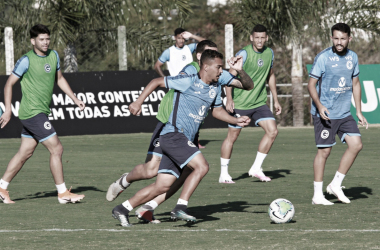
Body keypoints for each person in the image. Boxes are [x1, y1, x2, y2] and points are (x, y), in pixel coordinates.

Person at [106, 40, 254, 223]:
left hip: (183, 139)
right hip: (173, 135)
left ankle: (122, 209)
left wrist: (236, 119)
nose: (221, 71)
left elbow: (240, 92)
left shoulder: (216, 85)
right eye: (219, 67)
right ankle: (180, 207)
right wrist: (138, 102)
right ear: (205, 66)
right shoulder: (188, 79)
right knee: (202, 166)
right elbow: (156, 81)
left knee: (163, 185)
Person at [0, 24, 85, 204]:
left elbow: (59, 79)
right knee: (57, 148)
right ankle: (62, 193)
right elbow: (8, 84)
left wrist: (75, 99)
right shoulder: (26, 60)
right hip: (32, 112)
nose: (46, 42)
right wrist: (8, 110)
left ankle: (1, 188)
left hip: (40, 112)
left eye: (47, 39)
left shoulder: (53, 55)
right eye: (41, 39)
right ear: (33, 41)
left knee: (25, 152)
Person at [308, 23, 368, 205]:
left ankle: (336, 184)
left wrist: (358, 110)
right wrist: (319, 106)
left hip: (344, 113)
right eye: (336, 38)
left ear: (349, 38)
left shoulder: (353, 57)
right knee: (324, 152)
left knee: (356, 145)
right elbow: (311, 85)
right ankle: (317, 195)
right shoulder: (323, 58)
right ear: (332, 38)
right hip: (325, 113)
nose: (339, 42)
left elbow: (355, 84)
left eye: (343, 38)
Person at [220, 24, 281, 183]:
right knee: (232, 137)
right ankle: (224, 173)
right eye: (257, 38)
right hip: (241, 103)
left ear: (266, 38)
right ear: (251, 38)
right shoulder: (244, 54)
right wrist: (230, 99)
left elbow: (270, 75)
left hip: (259, 102)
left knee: (272, 131)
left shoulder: (270, 53)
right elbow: (228, 77)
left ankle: (256, 168)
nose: (260, 41)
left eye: (263, 38)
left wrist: (275, 98)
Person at [154, 28, 206, 147]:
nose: (181, 40)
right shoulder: (169, 52)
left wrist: (192, 35)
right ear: (174, 38)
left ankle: (194, 142)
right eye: (179, 38)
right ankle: (162, 139)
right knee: (172, 114)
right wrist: (166, 79)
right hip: (177, 87)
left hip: (192, 87)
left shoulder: (190, 48)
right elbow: (157, 65)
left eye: (183, 38)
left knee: (194, 114)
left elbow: (206, 44)